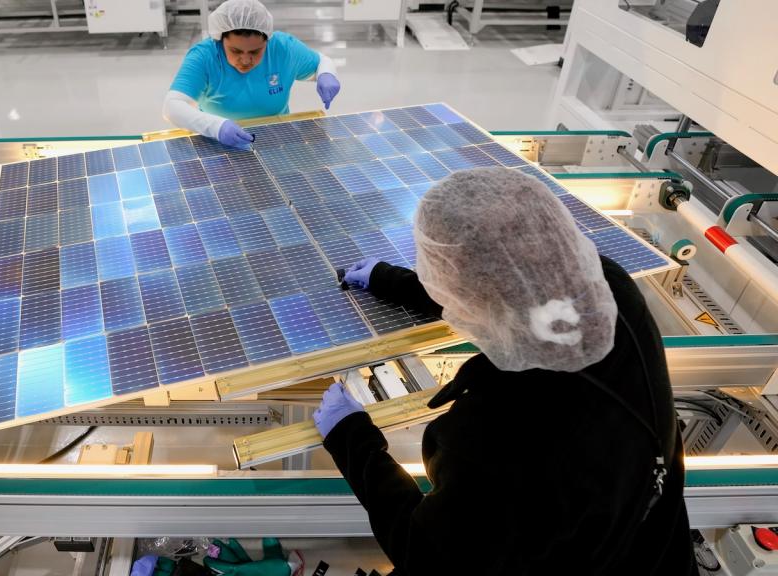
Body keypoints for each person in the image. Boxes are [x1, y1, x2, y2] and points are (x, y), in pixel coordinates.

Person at [314, 167, 697, 575]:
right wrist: (392, 281)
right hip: (662, 551)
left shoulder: (500, 445)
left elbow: (425, 554)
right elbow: (511, 288)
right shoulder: (610, 290)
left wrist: (351, 439)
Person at [163, 0, 341, 150]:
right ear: (220, 39)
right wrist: (217, 127)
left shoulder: (283, 49)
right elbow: (172, 106)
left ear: (267, 41)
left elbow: (321, 61)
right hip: (219, 142)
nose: (246, 60)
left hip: (277, 138)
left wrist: (326, 73)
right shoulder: (205, 56)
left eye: (255, 52)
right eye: (235, 51)